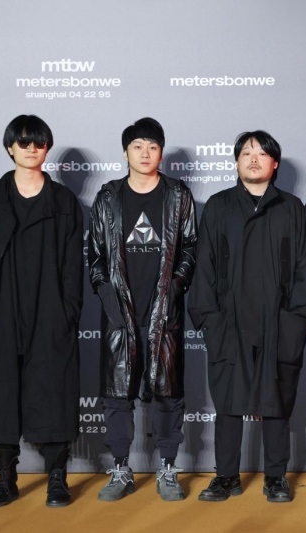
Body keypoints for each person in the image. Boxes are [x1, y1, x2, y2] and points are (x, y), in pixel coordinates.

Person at [188, 130, 306, 503]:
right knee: (228, 403)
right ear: (236, 161)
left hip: (279, 323)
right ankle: (226, 476)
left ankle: (276, 477)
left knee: (277, 401)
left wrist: (296, 321)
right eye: (246, 153)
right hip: (228, 323)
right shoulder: (219, 206)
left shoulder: (292, 208)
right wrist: (211, 320)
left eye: (262, 153)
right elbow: (204, 268)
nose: (253, 159)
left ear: (274, 163)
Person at [0, 114, 83, 508]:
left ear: (47, 147)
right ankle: (5, 479)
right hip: (0, 312)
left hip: (50, 312)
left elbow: (74, 263)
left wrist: (68, 309)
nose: (32, 148)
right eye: (23, 142)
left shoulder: (63, 201)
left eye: (39, 142)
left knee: (54, 391)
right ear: (10, 147)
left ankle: (57, 479)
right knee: (0, 392)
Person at [88, 117, 197, 502]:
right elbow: (95, 256)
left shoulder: (178, 196)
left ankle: (167, 467)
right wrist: (107, 297)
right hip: (120, 313)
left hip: (163, 312)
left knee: (168, 391)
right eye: (138, 146)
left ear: (161, 153)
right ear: (126, 153)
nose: (145, 153)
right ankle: (121, 468)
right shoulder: (108, 198)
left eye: (152, 146)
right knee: (117, 393)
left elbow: (189, 250)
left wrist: (175, 289)